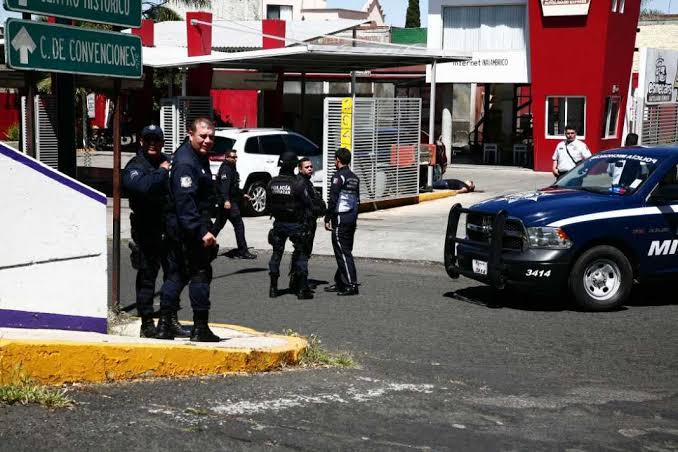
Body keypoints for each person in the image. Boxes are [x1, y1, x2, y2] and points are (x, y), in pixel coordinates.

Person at [122, 125, 189, 338]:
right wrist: (162, 172)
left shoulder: (170, 162)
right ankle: (147, 322)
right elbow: (142, 187)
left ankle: (170, 319)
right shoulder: (136, 165)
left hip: (169, 229)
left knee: (174, 276)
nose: (153, 144)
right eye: (148, 140)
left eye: (156, 140)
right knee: (147, 278)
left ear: (162, 142)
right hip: (146, 230)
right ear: (141, 141)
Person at [157, 117, 221, 342]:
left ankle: (164, 325)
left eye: (211, 136)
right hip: (187, 229)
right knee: (200, 274)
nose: (207, 140)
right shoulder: (186, 162)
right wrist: (199, 231)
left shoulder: (195, 157)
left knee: (176, 274)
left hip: (180, 227)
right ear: (190, 134)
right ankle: (200, 328)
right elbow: (185, 202)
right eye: (202, 136)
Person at [267, 151, 315, 300]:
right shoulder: (298, 183)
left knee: (276, 255)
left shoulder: (272, 182)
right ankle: (301, 290)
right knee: (301, 255)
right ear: (294, 165)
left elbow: (268, 206)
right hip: (296, 224)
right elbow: (309, 205)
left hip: (279, 224)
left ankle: (273, 289)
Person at [324, 147, 360, 296]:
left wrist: (328, 218)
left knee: (343, 252)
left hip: (341, 217)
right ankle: (341, 282)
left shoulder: (339, 176)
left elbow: (333, 199)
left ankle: (351, 285)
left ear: (337, 160)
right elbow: (358, 201)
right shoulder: (354, 177)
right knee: (344, 250)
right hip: (351, 217)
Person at [289, 157, 326, 291]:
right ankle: (299, 284)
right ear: (300, 169)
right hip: (303, 223)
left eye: (311, 166)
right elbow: (309, 205)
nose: (310, 169)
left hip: (309, 222)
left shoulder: (307, 182)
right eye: (307, 167)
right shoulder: (301, 183)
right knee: (302, 253)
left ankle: (296, 281)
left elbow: (318, 202)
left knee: (302, 252)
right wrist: (319, 208)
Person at [214, 149, 257, 259]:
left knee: (218, 226)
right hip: (229, 203)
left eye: (236, 157)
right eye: (232, 157)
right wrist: (226, 200)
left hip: (230, 201)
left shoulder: (231, 168)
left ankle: (203, 246)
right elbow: (225, 187)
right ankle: (243, 251)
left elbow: (234, 187)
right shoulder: (226, 169)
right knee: (239, 225)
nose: (235, 159)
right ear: (226, 157)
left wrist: (243, 194)